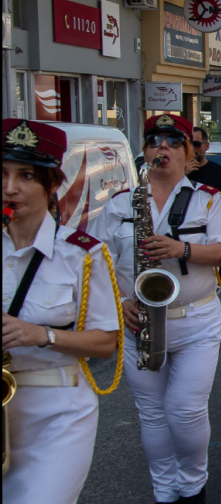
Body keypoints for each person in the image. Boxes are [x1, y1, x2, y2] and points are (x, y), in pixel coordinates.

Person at [92, 114, 221, 503]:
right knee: (152, 414)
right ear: (144, 152)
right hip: (138, 323)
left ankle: (192, 486)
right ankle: (164, 491)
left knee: (184, 409)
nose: (163, 148)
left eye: (174, 141)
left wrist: (183, 249)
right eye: (154, 141)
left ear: (188, 152)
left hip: (195, 321)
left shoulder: (208, 199)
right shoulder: (120, 204)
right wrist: (118, 303)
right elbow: (95, 264)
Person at [2, 119, 122, 504]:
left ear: (52, 184)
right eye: (3, 174)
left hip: (59, 413)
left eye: (26, 176)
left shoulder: (82, 253)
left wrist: (42, 335)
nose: (10, 188)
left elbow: (106, 342)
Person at [186, 127, 221, 215]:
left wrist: (209, 211)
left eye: (196, 144)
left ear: (206, 146)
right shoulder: (178, 173)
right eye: (188, 144)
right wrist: (184, 174)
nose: (192, 148)